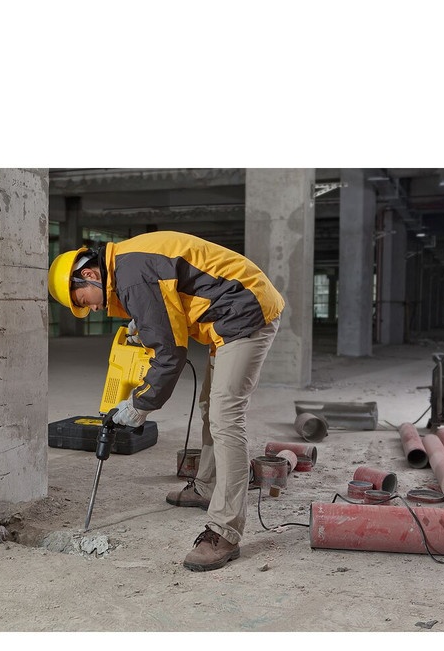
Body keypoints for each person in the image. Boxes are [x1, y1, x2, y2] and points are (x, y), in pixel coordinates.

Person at [47, 231, 284, 571]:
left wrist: (139, 405)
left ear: (88, 274)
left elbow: (170, 355)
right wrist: (145, 320)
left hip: (246, 312)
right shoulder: (127, 267)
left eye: (83, 301)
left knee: (226, 417)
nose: (93, 308)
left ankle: (225, 531)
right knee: (210, 408)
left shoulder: (131, 277)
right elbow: (170, 293)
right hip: (227, 313)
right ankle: (206, 487)